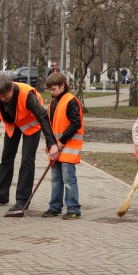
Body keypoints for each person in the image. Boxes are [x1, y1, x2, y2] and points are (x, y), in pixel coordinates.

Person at [0, 74, 59, 217]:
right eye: (0, 96)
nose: (2, 99)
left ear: (11, 87)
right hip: (13, 125)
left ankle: (22, 200)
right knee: (6, 158)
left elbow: (42, 117)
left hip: (31, 126)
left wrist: (52, 143)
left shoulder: (27, 94)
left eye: (5, 95)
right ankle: (1, 195)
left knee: (27, 161)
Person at [42, 73, 84, 220]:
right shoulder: (53, 103)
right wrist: (52, 144)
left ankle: (73, 209)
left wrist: (62, 141)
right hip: (56, 148)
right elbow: (50, 126)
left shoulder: (71, 101)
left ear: (62, 86)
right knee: (56, 179)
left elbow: (75, 124)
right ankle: (55, 207)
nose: (51, 92)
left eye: (53, 89)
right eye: (50, 90)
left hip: (68, 147)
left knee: (68, 179)